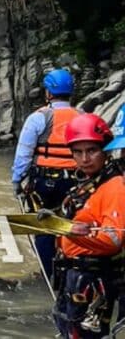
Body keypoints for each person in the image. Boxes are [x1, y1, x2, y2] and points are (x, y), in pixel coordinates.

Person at [49, 113, 125, 338]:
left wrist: (70, 233)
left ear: (105, 150)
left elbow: (112, 240)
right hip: (75, 276)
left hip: (94, 280)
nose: (85, 159)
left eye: (92, 150)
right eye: (78, 152)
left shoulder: (115, 186)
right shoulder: (90, 183)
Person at [11, 68, 81, 280]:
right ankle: (71, 269)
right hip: (78, 183)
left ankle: (48, 273)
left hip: (45, 182)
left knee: (44, 226)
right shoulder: (83, 117)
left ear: (48, 92)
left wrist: (17, 181)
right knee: (73, 225)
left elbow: (24, 154)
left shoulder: (38, 118)